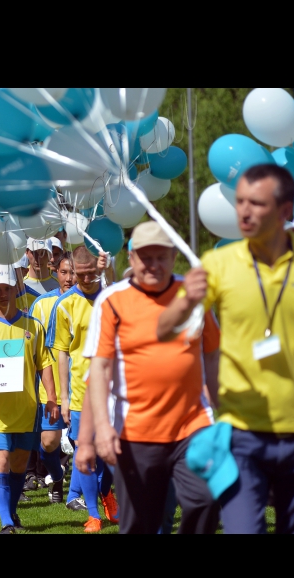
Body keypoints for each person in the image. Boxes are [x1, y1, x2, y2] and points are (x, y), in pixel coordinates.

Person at [158, 163, 294, 534]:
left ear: (285, 210)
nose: (243, 211)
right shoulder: (218, 264)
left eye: (256, 203)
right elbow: (162, 330)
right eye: (239, 201)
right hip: (242, 433)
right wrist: (182, 301)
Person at [82, 221, 221, 535]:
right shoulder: (112, 300)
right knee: (139, 524)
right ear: (132, 259)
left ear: (174, 257)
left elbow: (211, 354)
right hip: (135, 431)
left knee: (205, 499)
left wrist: (223, 412)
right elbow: (100, 370)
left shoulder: (195, 295)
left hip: (193, 425)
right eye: (146, 257)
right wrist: (101, 431)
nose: (154, 264)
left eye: (161, 256)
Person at [0, 265, 59, 534]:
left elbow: (44, 364)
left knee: (19, 464)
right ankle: (6, 523)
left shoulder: (33, 326)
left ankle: (11, 512)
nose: (2, 295)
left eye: (6, 289)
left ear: (15, 289)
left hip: (27, 408)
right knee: (1, 461)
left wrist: (52, 399)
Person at [48, 246, 118, 532]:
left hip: (114, 390)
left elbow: (116, 282)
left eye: (92, 273)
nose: (87, 278)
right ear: (73, 271)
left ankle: (107, 493)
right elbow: (61, 353)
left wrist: (108, 266)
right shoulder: (64, 304)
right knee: (86, 452)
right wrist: (63, 398)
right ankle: (93, 514)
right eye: (81, 273)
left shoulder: (110, 297)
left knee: (113, 452)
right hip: (80, 392)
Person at [25, 251, 78, 504]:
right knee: (48, 443)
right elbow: (32, 342)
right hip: (50, 388)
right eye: (64, 272)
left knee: (82, 443)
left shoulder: (89, 301)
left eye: (74, 272)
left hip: (80, 385)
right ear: (56, 272)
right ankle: (57, 477)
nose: (69, 278)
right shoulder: (41, 304)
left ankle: (78, 494)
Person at [0, 256, 39, 322]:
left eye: (12, 270)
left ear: (25, 272)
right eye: (3, 269)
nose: (7, 274)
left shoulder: (36, 300)